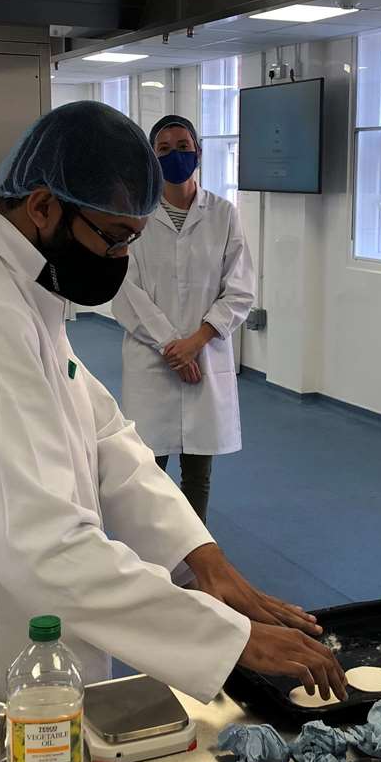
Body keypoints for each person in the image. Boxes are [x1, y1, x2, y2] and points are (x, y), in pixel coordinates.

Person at [0, 100, 345, 708]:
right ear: (43, 206)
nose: (122, 259)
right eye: (115, 238)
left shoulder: (16, 283)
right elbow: (46, 545)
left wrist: (200, 557)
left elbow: (104, 435)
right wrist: (228, 639)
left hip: (32, 651)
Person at [112, 115, 254, 519]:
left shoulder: (224, 214)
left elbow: (240, 288)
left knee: (198, 474)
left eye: (183, 146)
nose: (176, 155)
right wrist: (172, 346)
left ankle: (195, 559)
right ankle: (154, 552)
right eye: (165, 149)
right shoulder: (135, 215)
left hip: (203, 355)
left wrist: (195, 344)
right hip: (153, 360)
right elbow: (125, 287)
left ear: (199, 152)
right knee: (149, 468)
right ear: (152, 158)